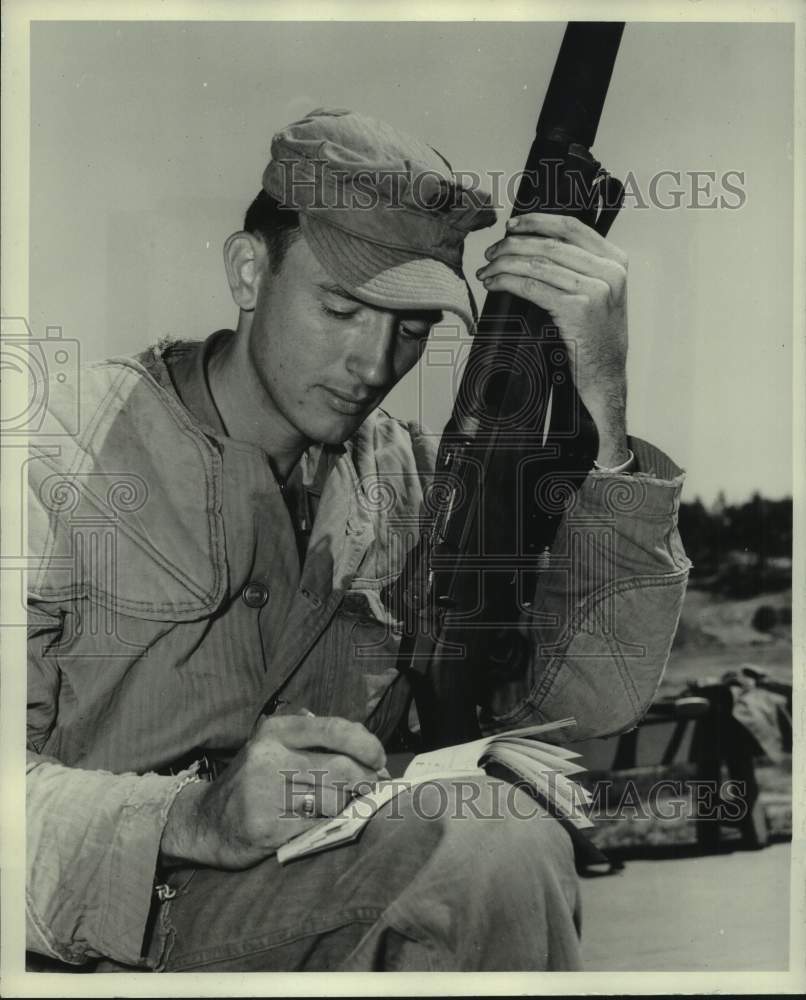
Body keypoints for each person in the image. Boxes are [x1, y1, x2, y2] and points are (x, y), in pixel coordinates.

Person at [26, 108, 690, 972]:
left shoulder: (407, 485)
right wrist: (193, 818)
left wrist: (604, 412)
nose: (375, 365)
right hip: (79, 942)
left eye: (412, 329)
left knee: (498, 837)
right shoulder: (53, 466)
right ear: (248, 269)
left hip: (301, 913)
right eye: (342, 307)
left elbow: (579, 710)